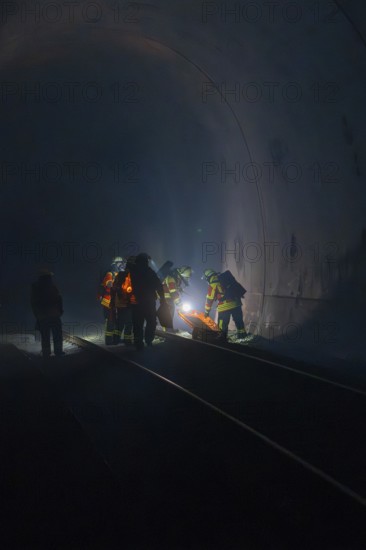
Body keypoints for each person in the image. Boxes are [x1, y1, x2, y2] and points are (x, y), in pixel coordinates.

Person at [129, 253, 166, 349]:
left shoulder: (131, 272)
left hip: (136, 302)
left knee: (137, 323)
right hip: (149, 302)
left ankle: (138, 343)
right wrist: (163, 300)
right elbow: (159, 286)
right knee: (151, 321)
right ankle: (148, 340)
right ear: (146, 261)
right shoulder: (150, 272)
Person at [202, 269, 247, 342]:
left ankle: (222, 340)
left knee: (223, 324)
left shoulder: (213, 284)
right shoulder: (225, 278)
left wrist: (206, 311)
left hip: (224, 307)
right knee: (239, 321)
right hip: (236, 303)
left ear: (208, 277)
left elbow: (209, 299)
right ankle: (242, 336)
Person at [31, 269, 64, 357]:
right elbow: (59, 299)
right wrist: (60, 311)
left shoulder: (35, 287)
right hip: (54, 314)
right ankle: (58, 351)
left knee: (45, 336)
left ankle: (46, 353)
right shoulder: (53, 286)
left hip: (42, 316)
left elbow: (33, 303)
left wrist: (37, 315)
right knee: (57, 335)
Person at [98, 256, 126, 345]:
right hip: (108, 302)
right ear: (116, 264)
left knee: (117, 321)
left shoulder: (119, 274)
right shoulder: (110, 274)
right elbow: (109, 285)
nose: (122, 265)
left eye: (123, 263)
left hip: (116, 302)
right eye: (120, 263)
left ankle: (115, 339)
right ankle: (109, 340)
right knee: (111, 321)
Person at [110, 259, 135, 346]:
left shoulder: (119, 274)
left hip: (119, 303)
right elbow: (131, 290)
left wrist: (113, 302)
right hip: (127, 303)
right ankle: (127, 341)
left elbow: (113, 288)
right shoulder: (130, 276)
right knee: (129, 322)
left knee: (119, 322)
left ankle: (115, 340)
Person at [162, 266, 192, 330]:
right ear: (182, 275)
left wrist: (179, 288)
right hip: (166, 298)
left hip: (168, 298)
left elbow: (174, 289)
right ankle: (168, 331)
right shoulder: (171, 278)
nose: (186, 279)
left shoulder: (175, 278)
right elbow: (173, 293)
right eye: (186, 278)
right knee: (168, 315)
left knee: (169, 315)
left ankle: (167, 330)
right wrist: (180, 304)